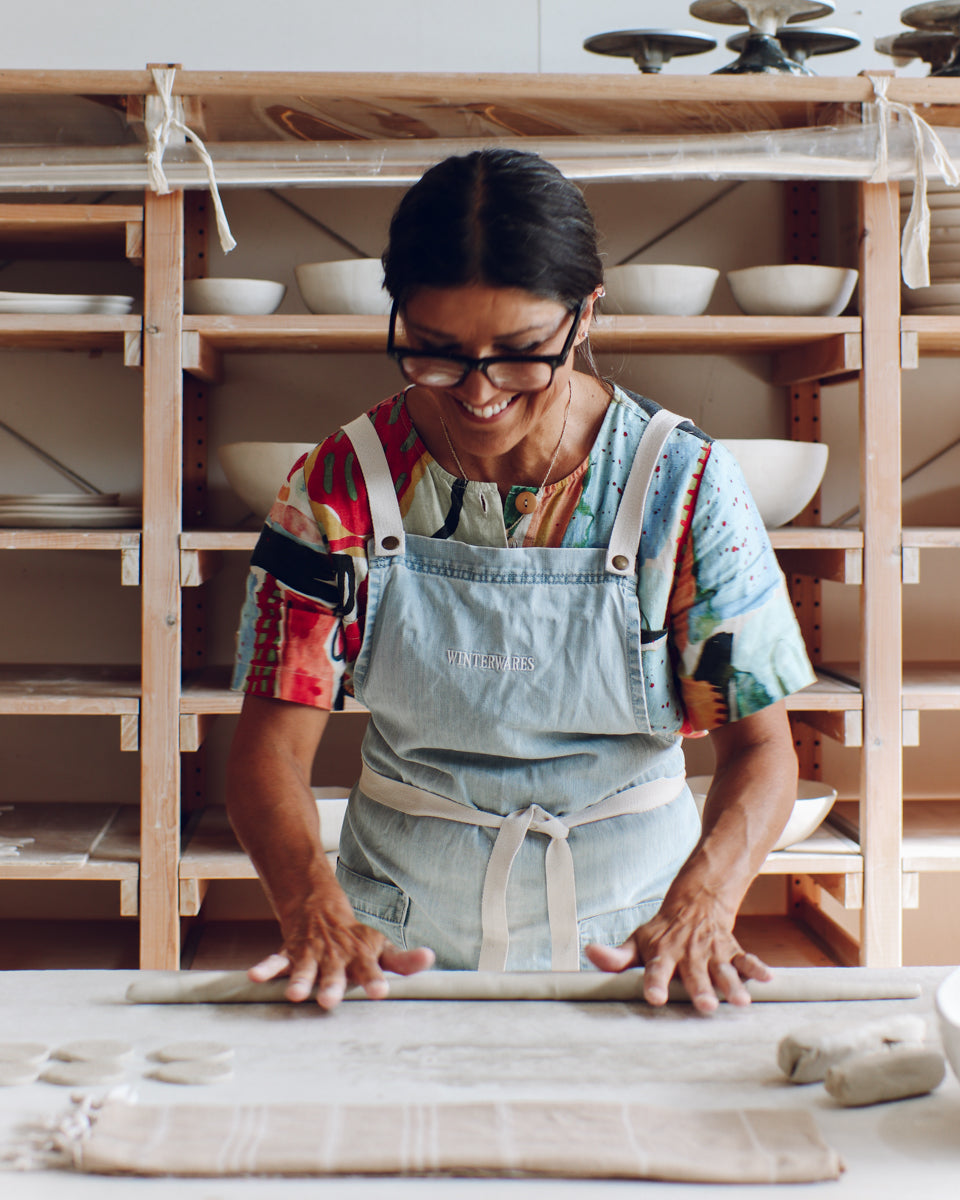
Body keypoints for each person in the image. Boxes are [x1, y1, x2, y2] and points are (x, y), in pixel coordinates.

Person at [226, 147, 815, 1015]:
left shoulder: (681, 489)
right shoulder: (339, 488)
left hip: (638, 943)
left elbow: (763, 751)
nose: (479, 389)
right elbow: (268, 750)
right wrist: (309, 907)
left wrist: (704, 905)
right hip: (393, 947)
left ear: (584, 316)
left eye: (520, 352)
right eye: (435, 353)